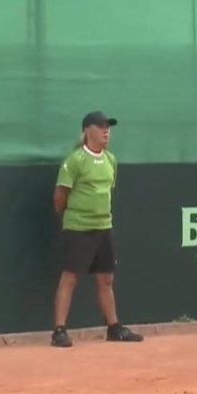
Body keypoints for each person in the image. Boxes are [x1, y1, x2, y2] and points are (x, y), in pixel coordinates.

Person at [51, 111, 144, 348]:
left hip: (104, 226)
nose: (106, 132)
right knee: (69, 278)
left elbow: (108, 192)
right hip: (78, 227)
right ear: (87, 131)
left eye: (108, 127)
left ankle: (114, 328)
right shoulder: (74, 160)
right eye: (101, 127)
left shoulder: (111, 160)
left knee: (106, 280)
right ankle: (59, 331)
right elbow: (60, 197)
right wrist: (69, 219)